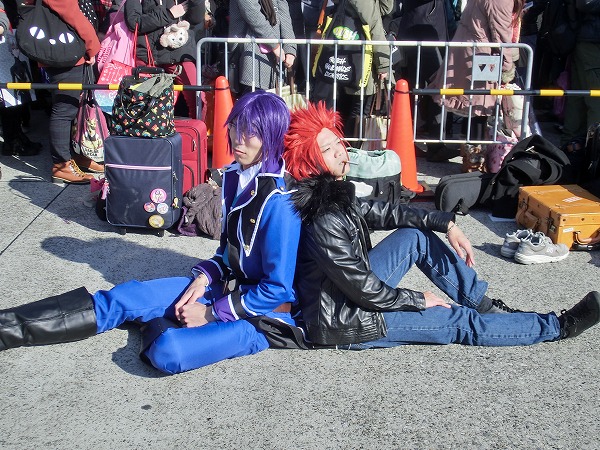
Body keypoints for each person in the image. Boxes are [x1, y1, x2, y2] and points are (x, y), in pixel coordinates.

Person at [0, 91, 304, 374]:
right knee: (122, 297)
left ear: (271, 135)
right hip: (226, 288)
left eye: (252, 131)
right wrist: (203, 278)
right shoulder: (235, 176)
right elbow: (228, 253)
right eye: (236, 126)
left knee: (169, 351)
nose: (239, 138)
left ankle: (158, 319)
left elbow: (277, 289)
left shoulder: (282, 200)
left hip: (262, 316)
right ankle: (6, 328)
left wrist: (211, 314)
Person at [283, 102, 600, 349]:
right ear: (309, 162)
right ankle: (558, 326)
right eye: (327, 150)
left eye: (337, 142)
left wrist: (445, 223)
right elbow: (364, 289)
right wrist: (418, 299)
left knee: (415, 236)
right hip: (345, 322)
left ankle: (486, 306)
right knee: (458, 321)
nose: (340, 151)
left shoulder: (332, 193)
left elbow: (385, 212)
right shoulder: (323, 217)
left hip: (347, 297)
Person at [428, 0, 524, 168]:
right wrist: (508, 68)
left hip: (472, 50)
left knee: (474, 109)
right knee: (479, 108)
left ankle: (470, 159)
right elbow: (501, 35)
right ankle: (474, 163)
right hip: (480, 55)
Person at [37, 0, 101, 183]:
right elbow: (70, 11)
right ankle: (62, 165)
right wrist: (92, 44)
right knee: (65, 109)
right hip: (65, 52)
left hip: (71, 49)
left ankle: (74, 155)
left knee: (74, 107)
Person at [311, 0, 394, 138]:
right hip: (358, 63)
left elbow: (384, 9)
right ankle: (348, 147)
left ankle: (337, 144)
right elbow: (375, 26)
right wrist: (383, 64)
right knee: (357, 111)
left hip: (343, 60)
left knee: (340, 110)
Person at [124, 0, 205, 119]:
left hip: (180, 52)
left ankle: (196, 130)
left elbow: (196, 19)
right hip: (148, 55)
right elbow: (134, 23)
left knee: (198, 100)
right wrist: (168, 14)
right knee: (144, 105)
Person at [228, 0, 297, 95]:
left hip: (277, 59)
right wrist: (274, 45)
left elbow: (284, 13)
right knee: (254, 100)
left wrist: (290, 47)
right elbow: (252, 13)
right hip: (251, 55)